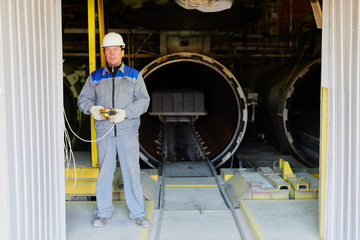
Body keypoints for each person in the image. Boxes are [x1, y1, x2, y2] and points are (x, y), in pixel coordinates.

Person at [77, 32, 151, 228]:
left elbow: (144, 101)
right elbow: (83, 99)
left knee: (132, 173)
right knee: (105, 174)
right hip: (104, 133)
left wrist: (125, 113)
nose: (111, 54)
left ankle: (138, 213)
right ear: (104, 53)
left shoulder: (134, 76)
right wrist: (92, 109)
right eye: (107, 50)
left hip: (127, 132)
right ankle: (103, 213)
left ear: (122, 51)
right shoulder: (94, 78)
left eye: (115, 50)